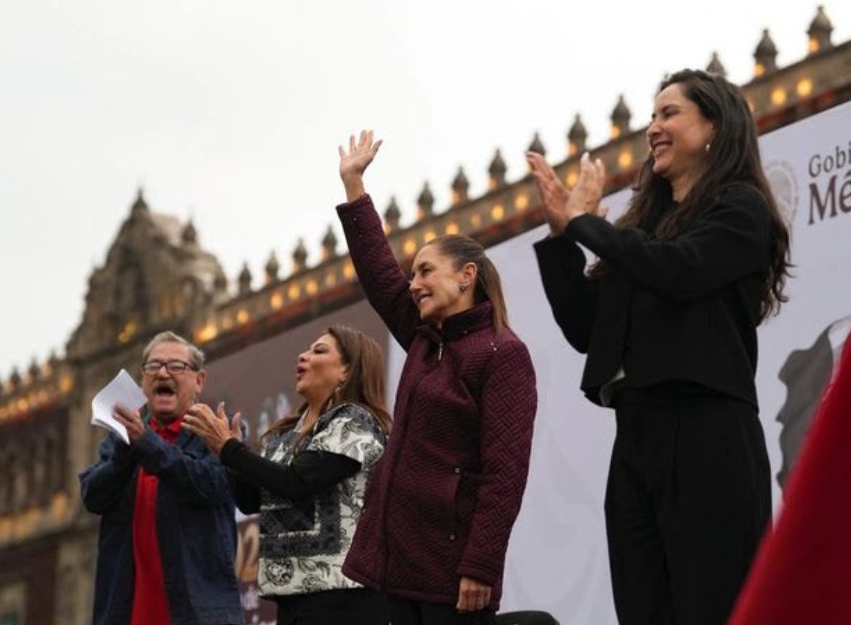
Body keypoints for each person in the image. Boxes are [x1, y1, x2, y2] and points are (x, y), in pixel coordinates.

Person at [528, 68, 792, 625]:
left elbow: (681, 271)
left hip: (706, 433)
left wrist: (584, 223)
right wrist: (560, 236)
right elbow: (586, 329)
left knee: (710, 606)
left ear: (715, 126)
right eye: (651, 116)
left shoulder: (740, 209)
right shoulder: (643, 231)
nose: (654, 128)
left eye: (669, 113)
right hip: (636, 438)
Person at [334, 130, 539, 625]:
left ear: (466, 275)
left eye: (426, 271)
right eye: (413, 274)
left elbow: (505, 472)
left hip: (453, 572)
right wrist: (354, 187)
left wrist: (481, 564)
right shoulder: (426, 340)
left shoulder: (503, 354)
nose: (414, 283)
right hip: (397, 562)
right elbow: (380, 274)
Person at [182, 325, 391, 625]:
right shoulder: (283, 435)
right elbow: (251, 500)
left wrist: (229, 450)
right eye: (306, 350)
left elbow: (298, 482)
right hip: (292, 600)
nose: (303, 356)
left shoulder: (355, 421)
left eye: (318, 351)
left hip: (346, 598)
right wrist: (226, 458)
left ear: (346, 370)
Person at [79, 330, 243, 625]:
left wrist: (148, 444)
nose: (163, 372)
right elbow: (92, 495)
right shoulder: (121, 440)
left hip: (198, 615)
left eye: (176, 366)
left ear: (199, 381)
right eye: (153, 366)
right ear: (143, 381)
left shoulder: (216, 433)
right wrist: (126, 450)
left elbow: (214, 485)